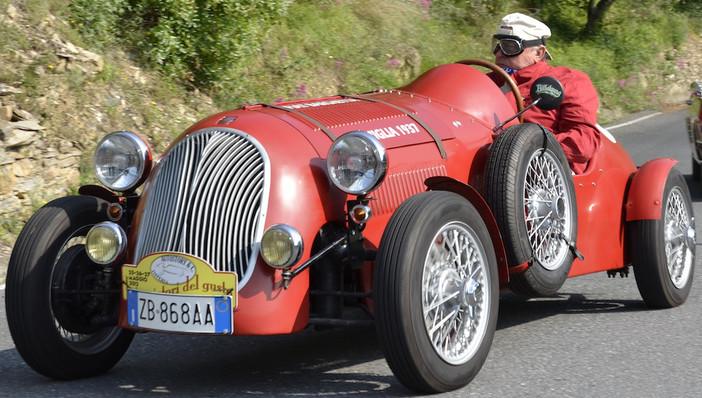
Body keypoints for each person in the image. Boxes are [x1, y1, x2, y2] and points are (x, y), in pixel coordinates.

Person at [488, 12, 601, 174]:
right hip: (488, 165)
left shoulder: (569, 81)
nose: (498, 54)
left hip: (544, 176)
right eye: (497, 45)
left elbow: (584, 142)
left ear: (538, 53)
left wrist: (523, 144)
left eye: (510, 47)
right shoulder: (486, 82)